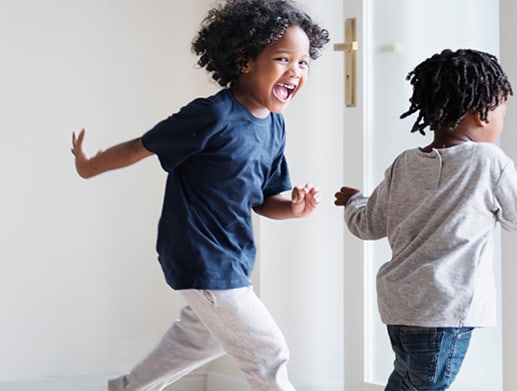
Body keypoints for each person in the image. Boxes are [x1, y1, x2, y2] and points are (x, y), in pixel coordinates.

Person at [70, 1, 329, 390]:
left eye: (305, 62)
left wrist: (294, 208)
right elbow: (144, 146)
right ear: (244, 61)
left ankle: (128, 387)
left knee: (200, 340)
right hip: (200, 254)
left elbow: (265, 199)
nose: (296, 70)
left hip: (233, 257)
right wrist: (90, 165)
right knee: (268, 351)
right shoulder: (213, 115)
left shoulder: (274, 127)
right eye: (282, 58)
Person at [334, 48, 517, 390]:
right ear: (482, 113)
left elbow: (367, 226)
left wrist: (354, 201)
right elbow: (515, 219)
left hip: (398, 304)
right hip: (445, 308)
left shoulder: (403, 164)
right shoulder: (489, 161)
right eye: (501, 110)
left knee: (406, 380)